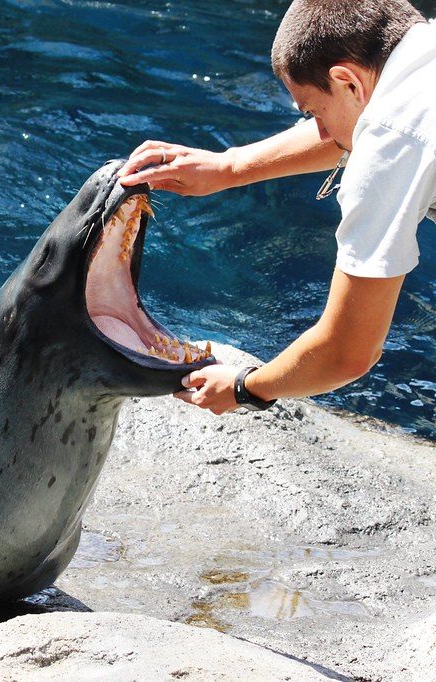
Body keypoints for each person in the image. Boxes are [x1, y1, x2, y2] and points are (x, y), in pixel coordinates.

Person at [117, 0, 436, 415]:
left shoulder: (390, 146)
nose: (320, 132)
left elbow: (348, 352)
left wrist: (246, 387)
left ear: (347, 81)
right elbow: (370, 121)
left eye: (314, 112)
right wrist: (227, 166)